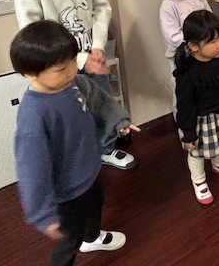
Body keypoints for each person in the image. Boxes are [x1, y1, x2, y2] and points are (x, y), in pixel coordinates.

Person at [13, 0, 135, 170]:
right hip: (58, 67)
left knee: (101, 103)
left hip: (92, 55)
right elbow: (32, 35)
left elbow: (100, 8)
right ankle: (80, 158)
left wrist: (98, 46)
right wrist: (78, 60)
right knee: (72, 113)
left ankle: (106, 148)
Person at [11, 20, 139, 266]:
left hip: (88, 171)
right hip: (67, 190)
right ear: (30, 73)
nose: (71, 70)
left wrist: (119, 121)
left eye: (72, 61)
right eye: (61, 68)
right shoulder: (34, 115)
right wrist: (42, 214)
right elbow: (31, 169)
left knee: (95, 202)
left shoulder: (73, 84)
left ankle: (93, 237)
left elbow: (99, 99)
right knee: (69, 238)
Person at [174, 10, 219, 205]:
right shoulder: (187, 73)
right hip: (199, 119)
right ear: (193, 46)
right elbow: (185, 106)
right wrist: (188, 134)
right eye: (212, 41)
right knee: (197, 152)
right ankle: (198, 180)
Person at [159, 0, 212, 113]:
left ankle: (200, 118)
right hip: (181, 57)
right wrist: (198, 42)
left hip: (202, 53)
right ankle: (183, 122)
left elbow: (210, 21)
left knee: (201, 88)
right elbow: (173, 37)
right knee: (183, 92)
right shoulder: (168, 5)